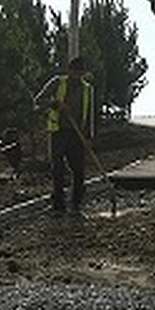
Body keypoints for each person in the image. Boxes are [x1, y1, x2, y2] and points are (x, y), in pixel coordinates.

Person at [45, 56, 95, 214]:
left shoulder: (87, 89)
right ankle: (58, 206)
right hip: (58, 132)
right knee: (58, 170)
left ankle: (76, 205)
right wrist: (57, 105)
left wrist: (89, 137)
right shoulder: (57, 83)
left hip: (77, 134)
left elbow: (91, 116)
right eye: (75, 72)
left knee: (79, 170)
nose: (77, 75)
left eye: (80, 73)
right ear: (69, 70)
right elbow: (39, 100)